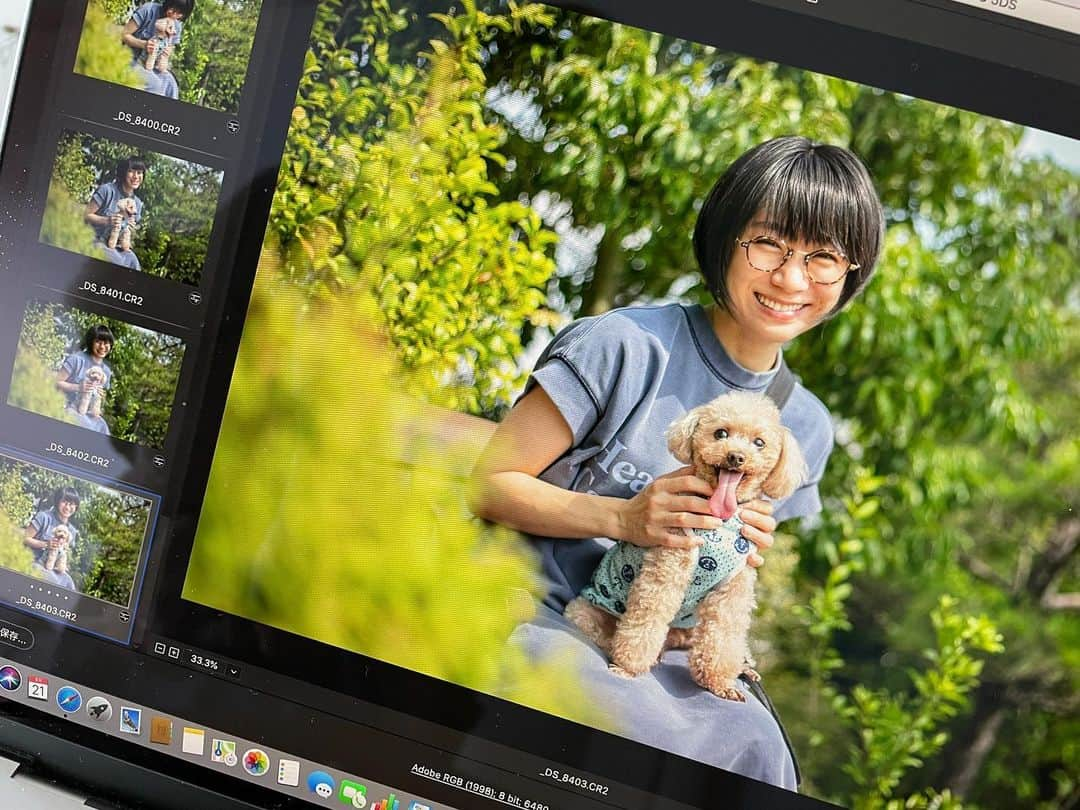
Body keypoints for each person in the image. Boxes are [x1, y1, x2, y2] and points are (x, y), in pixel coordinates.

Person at [471, 136, 885, 788]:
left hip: (673, 644)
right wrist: (625, 517)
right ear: (726, 237)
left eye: (824, 257)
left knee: (759, 754)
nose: (791, 278)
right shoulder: (625, 346)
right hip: (545, 610)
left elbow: (726, 566)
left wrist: (746, 541)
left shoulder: (804, 424)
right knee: (611, 728)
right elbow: (487, 484)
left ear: (850, 272)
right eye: (770, 243)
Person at [121, 0, 195, 100]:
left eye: (179, 13)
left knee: (171, 84)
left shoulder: (177, 25)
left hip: (153, 66)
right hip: (130, 58)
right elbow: (125, 35)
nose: (174, 15)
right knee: (155, 84)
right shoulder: (149, 9)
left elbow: (165, 58)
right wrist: (144, 44)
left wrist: (166, 54)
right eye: (173, 9)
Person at [84, 157, 146, 271]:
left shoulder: (137, 203)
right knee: (116, 262)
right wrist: (107, 220)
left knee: (133, 262)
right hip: (95, 240)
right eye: (131, 171)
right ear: (123, 172)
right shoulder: (107, 190)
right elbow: (86, 215)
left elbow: (127, 231)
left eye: (139, 173)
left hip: (117, 246)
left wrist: (130, 229)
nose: (136, 176)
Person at [56, 325, 116, 436]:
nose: (102, 347)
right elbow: (56, 382)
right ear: (90, 342)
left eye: (106, 343)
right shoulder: (76, 359)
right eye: (98, 342)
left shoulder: (106, 371)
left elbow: (101, 399)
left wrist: (101, 397)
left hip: (90, 414)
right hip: (69, 408)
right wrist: (78, 387)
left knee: (102, 427)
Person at [23, 487, 82, 592]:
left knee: (69, 583)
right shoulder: (44, 517)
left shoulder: (71, 531)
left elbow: (64, 551)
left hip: (54, 568)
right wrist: (46, 544)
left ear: (76, 506)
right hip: (35, 562)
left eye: (72, 504)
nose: (68, 507)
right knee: (52, 582)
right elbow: (25, 538)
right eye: (65, 502)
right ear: (58, 501)